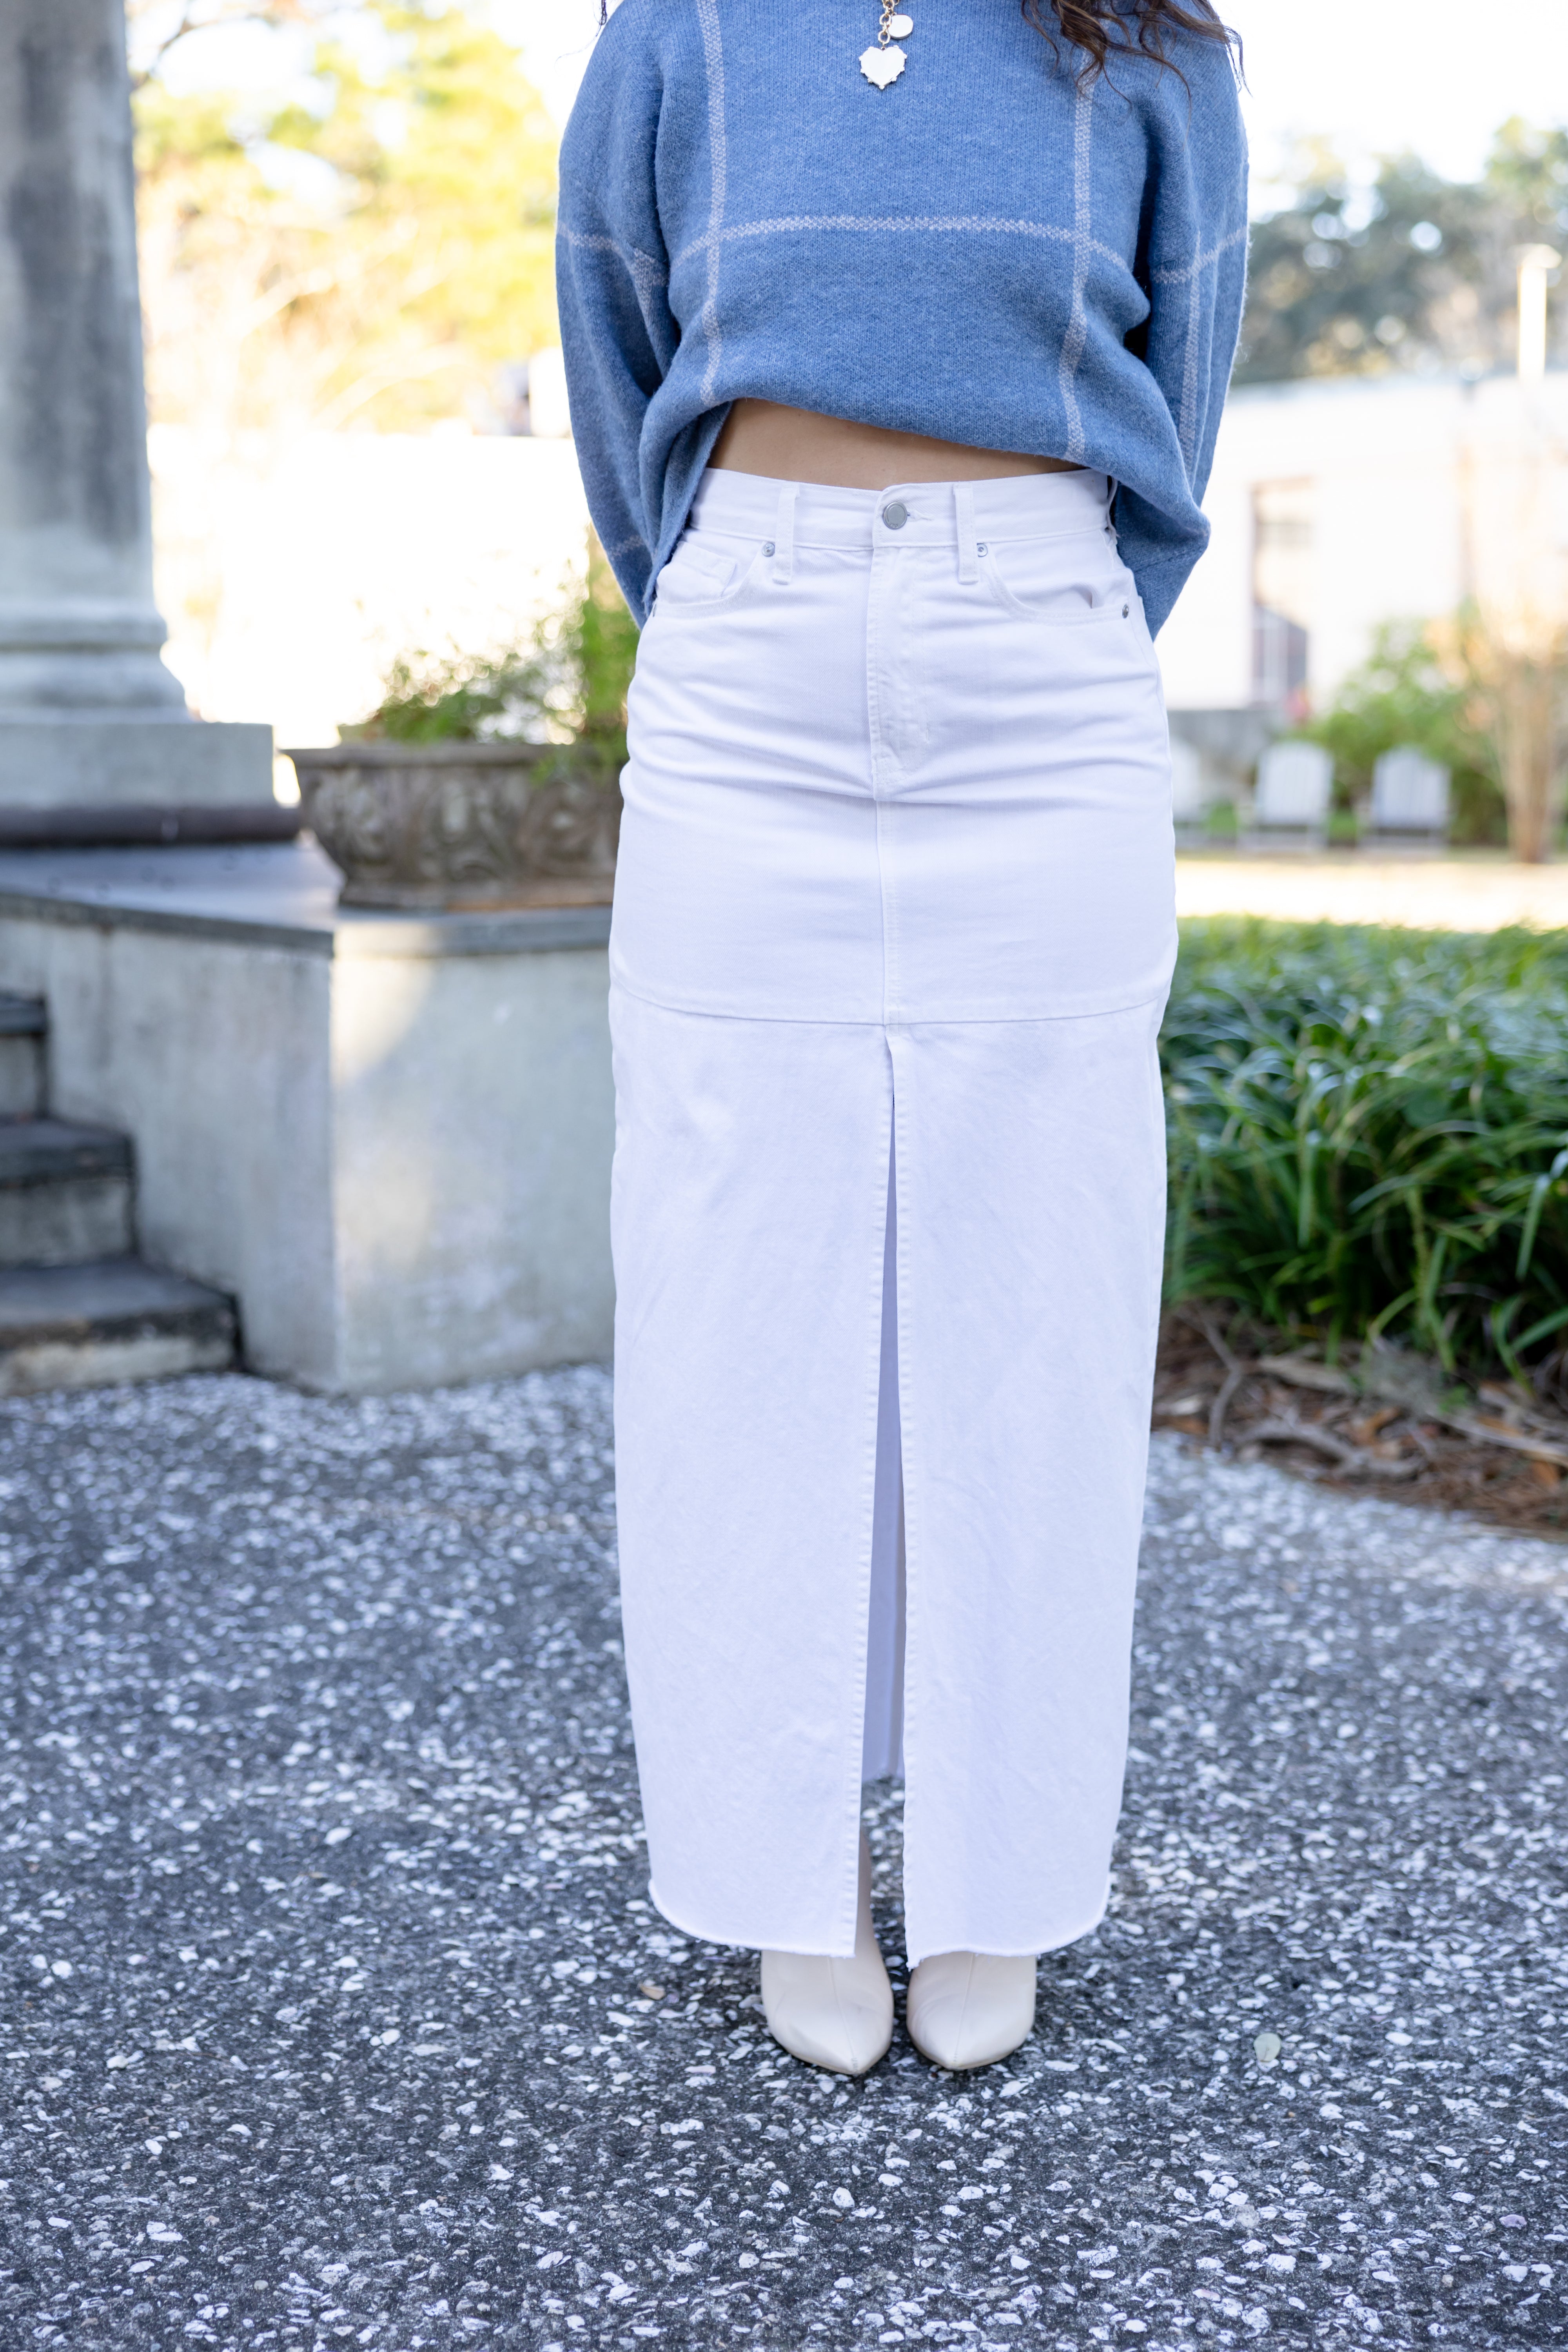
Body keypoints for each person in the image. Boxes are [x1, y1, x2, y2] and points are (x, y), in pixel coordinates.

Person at [556, 0, 1247, 2076]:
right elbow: (615, 350)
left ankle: (1002, 1880)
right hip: (746, 664)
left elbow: (1182, 389)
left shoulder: (1149, 39)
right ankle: (787, 1885)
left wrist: (1028, 599)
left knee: (1034, 1295)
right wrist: (721, 599)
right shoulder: (677, 23)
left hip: (1040, 669)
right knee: (727, 1294)